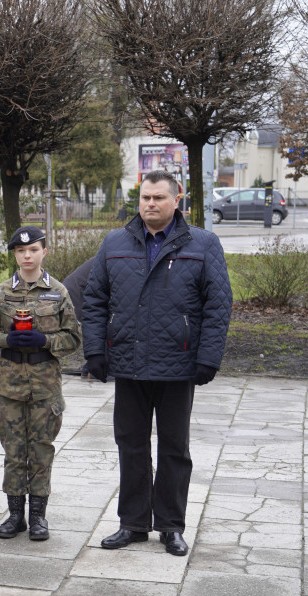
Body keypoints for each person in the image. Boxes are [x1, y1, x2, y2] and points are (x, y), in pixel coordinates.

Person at [83, 169, 232, 557]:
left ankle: (170, 525)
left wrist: (208, 358)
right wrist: (95, 351)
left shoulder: (203, 244)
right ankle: (132, 523)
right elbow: (95, 298)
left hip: (177, 363)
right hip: (128, 361)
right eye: (145, 198)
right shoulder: (115, 241)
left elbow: (218, 305)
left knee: (174, 448)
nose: (150, 204)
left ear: (176, 200)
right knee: (130, 445)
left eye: (158, 198)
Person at [0, 226, 80, 541]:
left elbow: (74, 337)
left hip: (45, 383)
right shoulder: (2, 292)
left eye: (33, 249)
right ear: (15, 255)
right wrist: (5, 339)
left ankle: (38, 517)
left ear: (44, 251)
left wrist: (45, 340)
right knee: (13, 451)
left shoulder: (58, 292)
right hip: (9, 384)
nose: (27, 255)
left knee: (41, 450)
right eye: (21, 251)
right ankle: (15, 516)